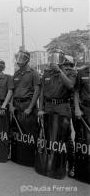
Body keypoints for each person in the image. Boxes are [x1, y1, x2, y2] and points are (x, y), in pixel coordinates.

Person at [36, 49, 77, 179]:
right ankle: (51, 163)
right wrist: (41, 108)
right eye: (52, 57)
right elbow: (42, 92)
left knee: (66, 137)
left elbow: (70, 86)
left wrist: (59, 71)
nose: (54, 60)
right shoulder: (47, 73)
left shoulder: (70, 72)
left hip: (62, 106)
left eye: (57, 57)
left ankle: (71, 165)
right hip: (48, 106)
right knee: (48, 134)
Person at [10, 49, 41, 167]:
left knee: (29, 132)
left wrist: (30, 107)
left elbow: (37, 91)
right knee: (17, 132)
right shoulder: (16, 74)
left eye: (22, 58)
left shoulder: (33, 73)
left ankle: (31, 158)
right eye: (18, 58)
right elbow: (12, 91)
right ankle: (18, 156)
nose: (19, 60)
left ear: (27, 59)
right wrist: (11, 105)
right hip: (16, 105)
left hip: (28, 105)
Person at [73, 62, 90, 183]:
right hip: (85, 110)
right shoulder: (82, 72)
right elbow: (76, 92)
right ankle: (80, 168)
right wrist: (77, 109)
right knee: (82, 139)